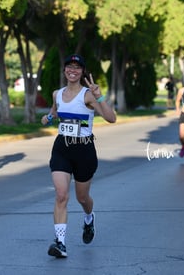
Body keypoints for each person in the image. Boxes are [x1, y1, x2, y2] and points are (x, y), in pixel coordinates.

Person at [41, 54, 116, 258]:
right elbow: (56, 111)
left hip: (84, 150)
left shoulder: (88, 95)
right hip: (62, 148)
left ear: (82, 72)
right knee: (61, 195)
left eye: (77, 67)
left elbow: (111, 118)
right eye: (69, 67)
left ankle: (89, 218)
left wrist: (99, 95)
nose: (72, 70)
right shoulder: (58, 93)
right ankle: (60, 243)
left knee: (82, 197)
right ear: (65, 70)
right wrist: (48, 117)